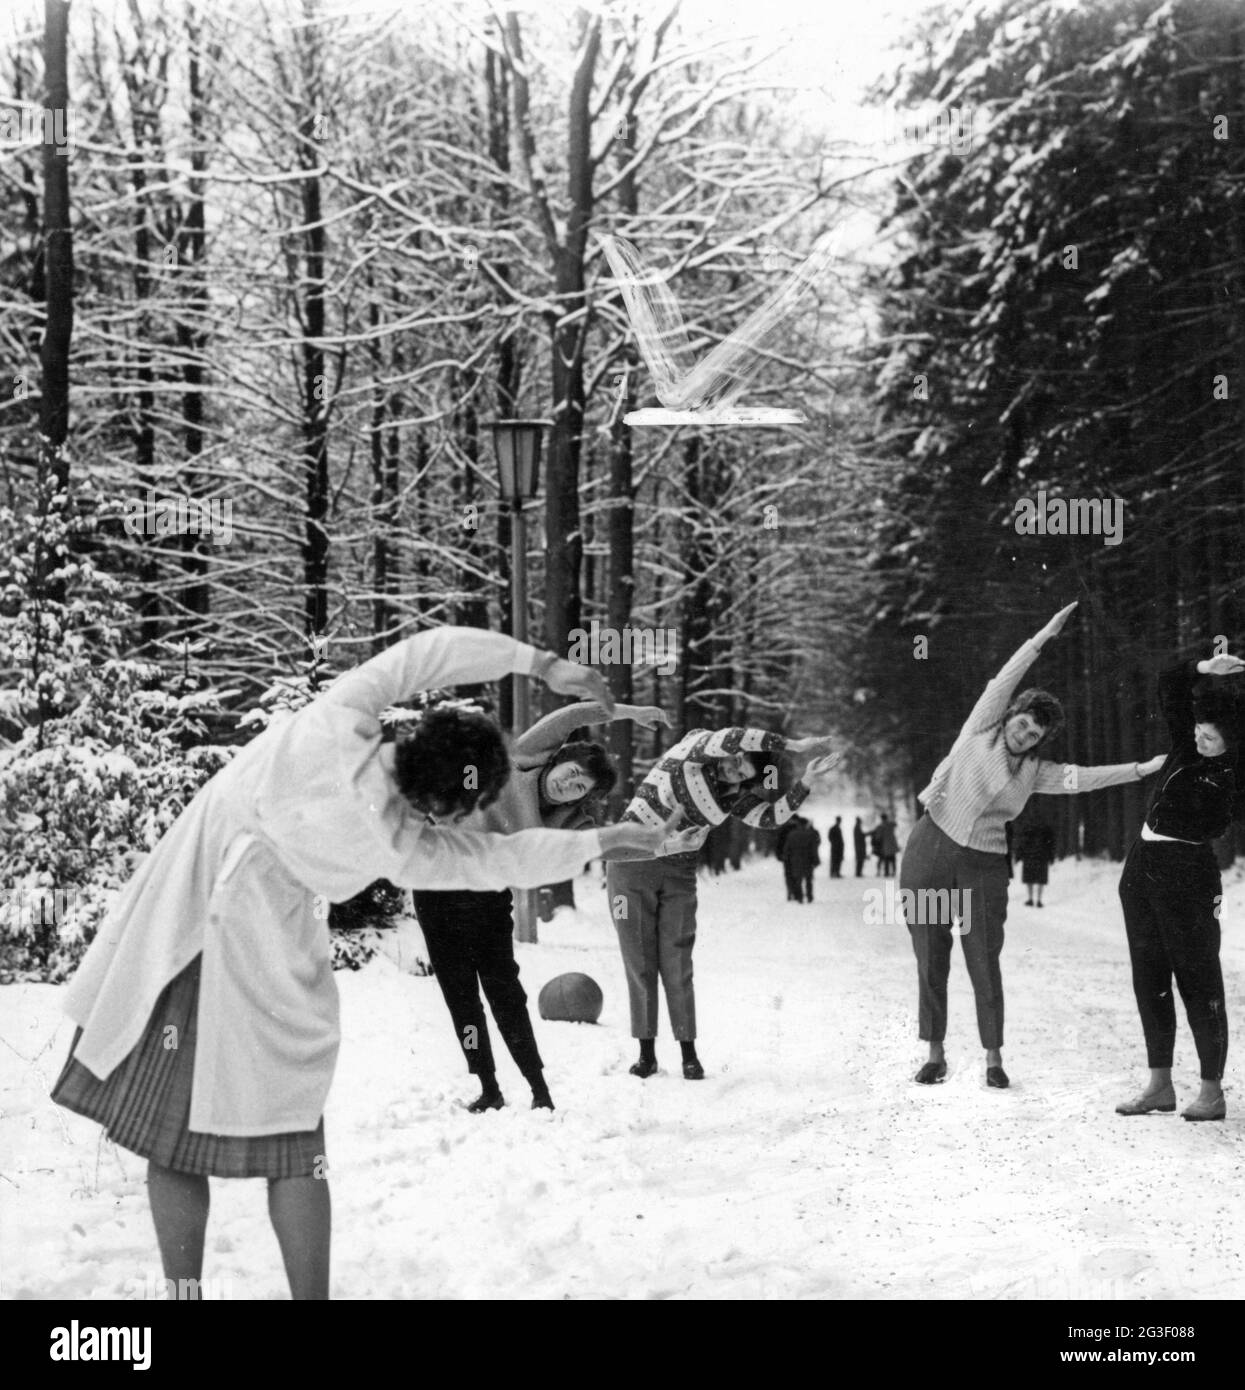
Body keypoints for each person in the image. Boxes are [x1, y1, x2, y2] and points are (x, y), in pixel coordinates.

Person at [49, 627, 687, 1299]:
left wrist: (544, 663)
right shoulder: (408, 846)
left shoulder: (339, 719)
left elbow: (428, 651)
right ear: (444, 806)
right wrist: (609, 838)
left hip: (180, 914)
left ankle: (183, 1292)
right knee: (293, 1141)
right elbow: (505, 859)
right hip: (257, 952)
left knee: (169, 1137)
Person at [900, 603, 1163, 1090]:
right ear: (1013, 716)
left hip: (983, 863)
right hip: (930, 847)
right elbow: (1002, 679)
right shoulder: (981, 727)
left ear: (1039, 741)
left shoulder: (1034, 773)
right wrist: (1043, 634)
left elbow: (1081, 780)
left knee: (983, 955)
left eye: (1034, 734)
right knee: (930, 951)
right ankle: (935, 1053)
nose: (1024, 734)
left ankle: (994, 1058)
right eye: (1022, 723)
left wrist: (1139, 769)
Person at [413, 700, 668, 1114]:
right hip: (435, 884)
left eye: (582, 786)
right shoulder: (523, 758)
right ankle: (488, 1087)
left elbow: (615, 846)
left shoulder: (570, 823)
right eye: (573, 772)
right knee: (459, 994)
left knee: (504, 992)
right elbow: (569, 717)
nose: (571, 783)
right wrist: (629, 711)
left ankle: (538, 1089)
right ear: (560, 760)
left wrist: (663, 843)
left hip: (488, 898)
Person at [606, 729, 840, 1079]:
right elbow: (731, 738)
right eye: (739, 761)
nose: (735, 769)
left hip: (680, 871)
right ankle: (646, 1053)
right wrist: (792, 745)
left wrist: (805, 780)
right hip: (629, 867)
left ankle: (688, 1052)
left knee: (677, 959)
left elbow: (771, 817)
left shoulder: (731, 798)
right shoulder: (690, 755)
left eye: (744, 773)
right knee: (639, 959)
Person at [1115, 649, 1243, 1122]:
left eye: (1209, 737)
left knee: (1198, 978)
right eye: (1198, 730)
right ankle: (1159, 1085)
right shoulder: (1187, 749)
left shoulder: (1233, 777)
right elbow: (1169, 683)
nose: (1198, 737)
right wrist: (1206, 670)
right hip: (1142, 866)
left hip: (1188, 874)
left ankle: (1211, 1091)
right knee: (1149, 977)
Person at [781, 815, 821, 903]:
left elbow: (787, 849)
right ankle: (810, 896)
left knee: (798, 880)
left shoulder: (792, 834)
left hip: (795, 860)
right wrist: (816, 860)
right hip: (808, 860)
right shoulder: (810, 834)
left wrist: (786, 858)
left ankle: (800, 897)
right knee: (809, 879)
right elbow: (814, 849)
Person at [1017, 818, 1056, 906]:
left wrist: (1019, 855)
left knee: (1029, 878)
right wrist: (1051, 857)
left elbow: (1023, 843)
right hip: (1042, 856)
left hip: (1029, 856)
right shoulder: (1046, 828)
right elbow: (1050, 843)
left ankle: (1030, 899)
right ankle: (1039, 900)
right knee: (1041, 879)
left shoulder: (1028, 827)